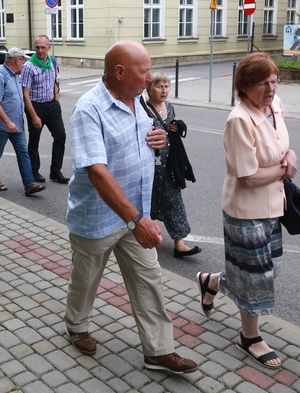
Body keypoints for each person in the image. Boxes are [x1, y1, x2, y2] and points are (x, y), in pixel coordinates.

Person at [64, 40, 198, 375]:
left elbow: (143, 140)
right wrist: (136, 219)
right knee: (86, 279)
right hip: (99, 217)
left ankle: (158, 351)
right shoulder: (89, 108)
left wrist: (159, 139)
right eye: (144, 71)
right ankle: (77, 325)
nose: (150, 79)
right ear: (120, 72)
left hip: (135, 214)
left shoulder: (138, 100)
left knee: (149, 279)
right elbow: (96, 170)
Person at [196, 52, 297, 370]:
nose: (271, 88)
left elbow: (281, 146)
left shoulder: (275, 107)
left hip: (273, 205)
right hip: (245, 209)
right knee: (255, 278)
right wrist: (284, 170)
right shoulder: (239, 119)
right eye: (262, 83)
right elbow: (248, 175)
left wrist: (290, 154)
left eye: (274, 80)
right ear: (244, 86)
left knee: (270, 268)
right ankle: (249, 337)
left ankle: (212, 281)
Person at [143, 72, 200, 258]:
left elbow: (171, 130)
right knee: (146, 200)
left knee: (174, 200)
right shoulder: (143, 108)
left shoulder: (169, 107)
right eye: (160, 86)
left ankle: (179, 244)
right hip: (148, 165)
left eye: (166, 86)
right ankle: (144, 235)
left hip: (169, 165)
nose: (164, 90)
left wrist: (177, 127)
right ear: (149, 89)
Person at [0, 48, 46, 196]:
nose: (24, 63)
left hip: (16, 124)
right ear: (16, 60)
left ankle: (29, 184)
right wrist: (7, 122)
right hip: (2, 125)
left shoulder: (15, 75)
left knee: (23, 153)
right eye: (23, 60)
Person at [22, 35, 69, 184]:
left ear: (48, 47)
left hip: (52, 105)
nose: (40, 50)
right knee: (34, 140)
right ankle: (34, 171)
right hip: (36, 106)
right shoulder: (29, 66)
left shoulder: (52, 62)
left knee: (60, 136)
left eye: (43, 47)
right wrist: (34, 116)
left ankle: (56, 171)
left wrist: (56, 100)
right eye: (37, 47)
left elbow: (55, 81)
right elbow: (25, 94)